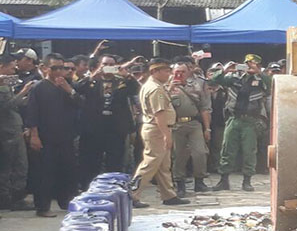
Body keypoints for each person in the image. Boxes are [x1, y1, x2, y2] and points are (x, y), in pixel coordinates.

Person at [25, 53, 81, 217]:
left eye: (61, 68)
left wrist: (67, 88)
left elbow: (80, 103)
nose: (59, 71)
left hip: (65, 136)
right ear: (45, 68)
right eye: (54, 68)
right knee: (45, 173)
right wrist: (34, 135)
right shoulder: (39, 87)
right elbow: (32, 114)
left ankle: (65, 202)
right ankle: (42, 207)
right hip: (45, 136)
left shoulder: (67, 86)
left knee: (67, 170)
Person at [131, 59, 189, 209]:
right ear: (154, 72)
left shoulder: (153, 86)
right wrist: (166, 135)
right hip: (157, 129)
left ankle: (168, 195)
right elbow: (159, 114)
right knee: (150, 163)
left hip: (156, 128)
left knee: (163, 165)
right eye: (165, 71)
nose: (168, 74)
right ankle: (132, 194)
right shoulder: (156, 88)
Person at [75, 54, 139, 188]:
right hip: (93, 128)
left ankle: (114, 189)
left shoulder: (122, 81)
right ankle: (89, 188)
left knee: (115, 161)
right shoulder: (92, 81)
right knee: (91, 160)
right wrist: (93, 75)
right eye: (105, 64)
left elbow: (136, 89)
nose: (108, 67)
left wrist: (127, 75)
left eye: (111, 65)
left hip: (115, 128)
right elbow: (77, 89)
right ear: (99, 65)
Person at [211, 54, 270, 192]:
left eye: (252, 64)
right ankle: (223, 180)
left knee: (249, 151)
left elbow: (271, 85)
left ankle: (247, 181)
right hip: (234, 118)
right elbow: (214, 80)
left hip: (250, 120)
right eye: (247, 64)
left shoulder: (260, 80)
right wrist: (226, 70)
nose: (249, 67)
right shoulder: (234, 78)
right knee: (227, 150)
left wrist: (259, 72)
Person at [168, 62, 212, 196]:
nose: (179, 74)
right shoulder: (166, 87)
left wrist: (207, 128)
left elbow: (205, 108)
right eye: (177, 72)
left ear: (189, 72)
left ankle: (200, 181)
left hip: (194, 123)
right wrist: (170, 89)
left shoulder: (197, 85)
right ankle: (179, 183)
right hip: (176, 125)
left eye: (183, 71)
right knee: (179, 155)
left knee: (200, 152)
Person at [0, 56, 33, 211]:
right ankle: (7, 199)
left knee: (20, 165)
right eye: (12, 68)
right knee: (10, 167)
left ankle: (16, 197)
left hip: (15, 128)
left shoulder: (6, 85)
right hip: (7, 132)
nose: (15, 71)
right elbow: (6, 106)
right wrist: (24, 92)